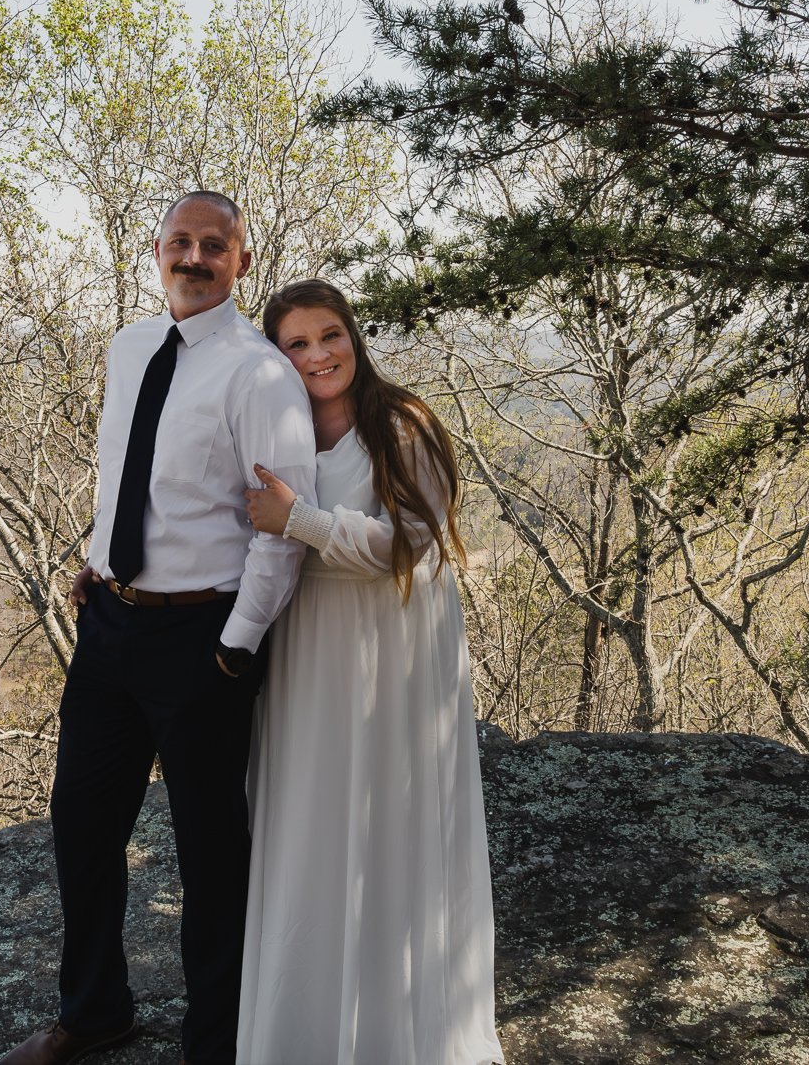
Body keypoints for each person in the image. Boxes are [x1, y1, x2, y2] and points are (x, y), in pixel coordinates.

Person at [2, 192, 318, 1065]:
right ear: (156, 251)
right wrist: (99, 555)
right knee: (82, 824)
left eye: (214, 245)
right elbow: (130, 474)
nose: (194, 257)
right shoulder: (129, 344)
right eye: (180, 241)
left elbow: (281, 527)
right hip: (109, 626)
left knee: (213, 857)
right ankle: (95, 1009)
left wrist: (235, 645)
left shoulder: (260, 376)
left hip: (201, 642)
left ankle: (216, 1047)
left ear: (241, 263)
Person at [238, 278, 504, 1065]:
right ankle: (306, 1032)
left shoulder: (401, 422)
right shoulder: (273, 425)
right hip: (306, 646)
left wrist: (302, 519)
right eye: (297, 342)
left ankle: (399, 1031)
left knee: (389, 821)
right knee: (308, 823)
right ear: (277, 355)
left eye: (331, 335)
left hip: (392, 646)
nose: (318, 354)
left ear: (354, 337)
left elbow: (408, 545)